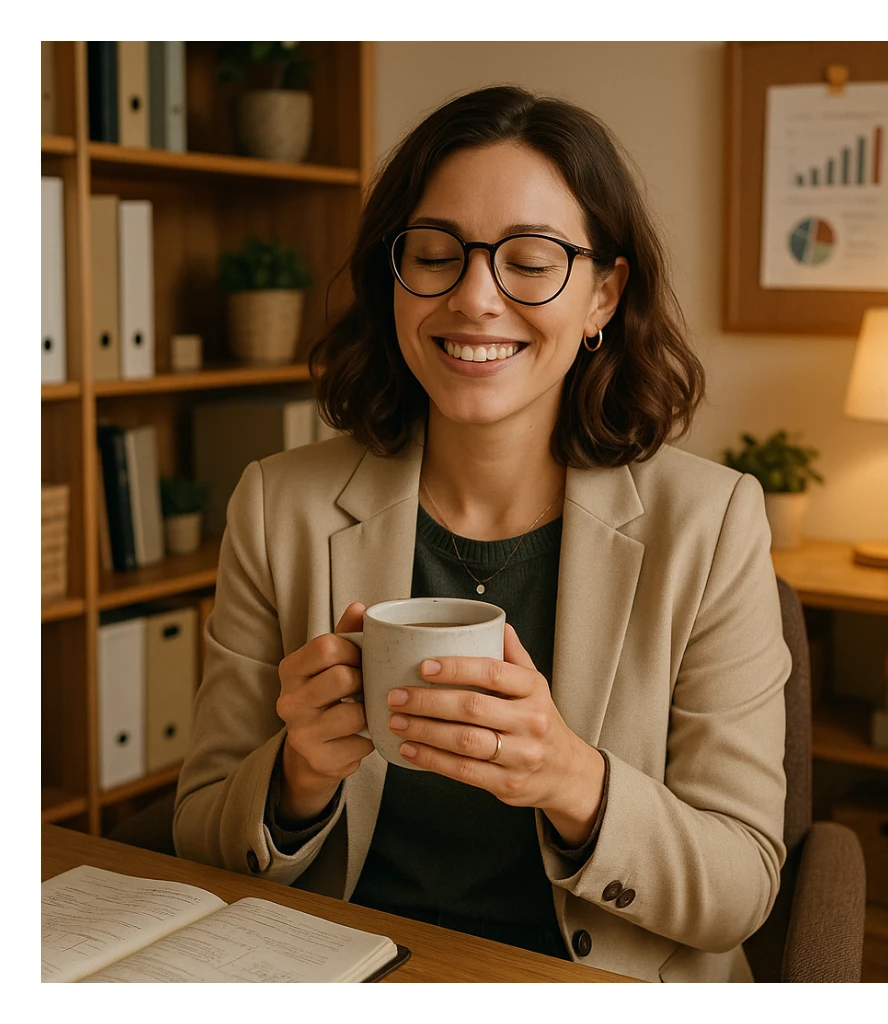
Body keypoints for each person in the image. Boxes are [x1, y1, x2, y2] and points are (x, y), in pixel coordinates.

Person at [173, 84, 790, 983]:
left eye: (530, 261)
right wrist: (297, 777)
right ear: (396, 277)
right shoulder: (279, 505)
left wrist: (568, 777)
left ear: (604, 297)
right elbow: (198, 828)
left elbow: (741, 887)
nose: (473, 299)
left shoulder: (712, 523)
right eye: (434, 255)